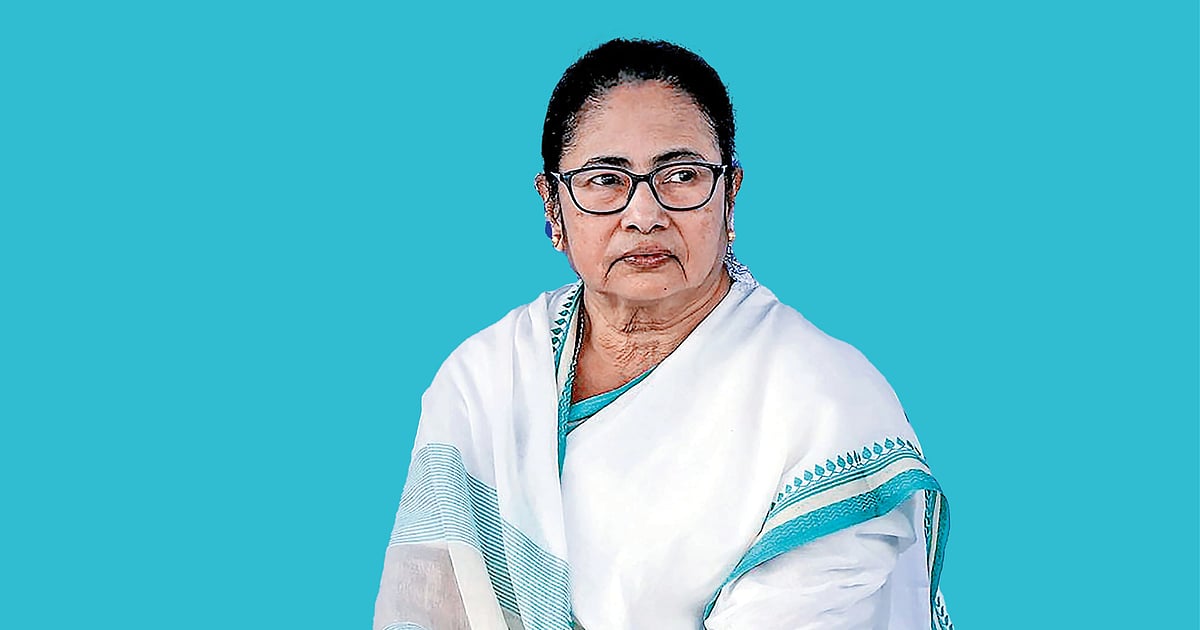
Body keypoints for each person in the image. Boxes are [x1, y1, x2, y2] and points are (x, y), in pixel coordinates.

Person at [374, 38, 953, 630]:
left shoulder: (828, 405)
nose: (644, 216)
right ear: (552, 203)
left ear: (729, 194)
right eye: (605, 180)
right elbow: (428, 605)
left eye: (680, 176)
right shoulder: (486, 378)